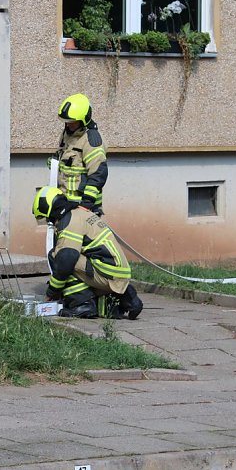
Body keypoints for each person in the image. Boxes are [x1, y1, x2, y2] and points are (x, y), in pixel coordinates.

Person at [32, 186, 142, 319]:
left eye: (47, 217)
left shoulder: (69, 222)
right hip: (117, 273)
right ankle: (126, 298)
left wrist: (52, 292)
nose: (50, 222)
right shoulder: (81, 213)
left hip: (106, 272)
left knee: (57, 256)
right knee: (68, 259)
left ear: (51, 209)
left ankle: (82, 304)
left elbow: (65, 262)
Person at [55, 93, 107, 215]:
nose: (68, 124)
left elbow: (98, 174)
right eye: (66, 121)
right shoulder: (67, 134)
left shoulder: (91, 140)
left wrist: (86, 204)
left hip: (83, 206)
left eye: (72, 122)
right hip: (66, 203)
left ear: (84, 119)